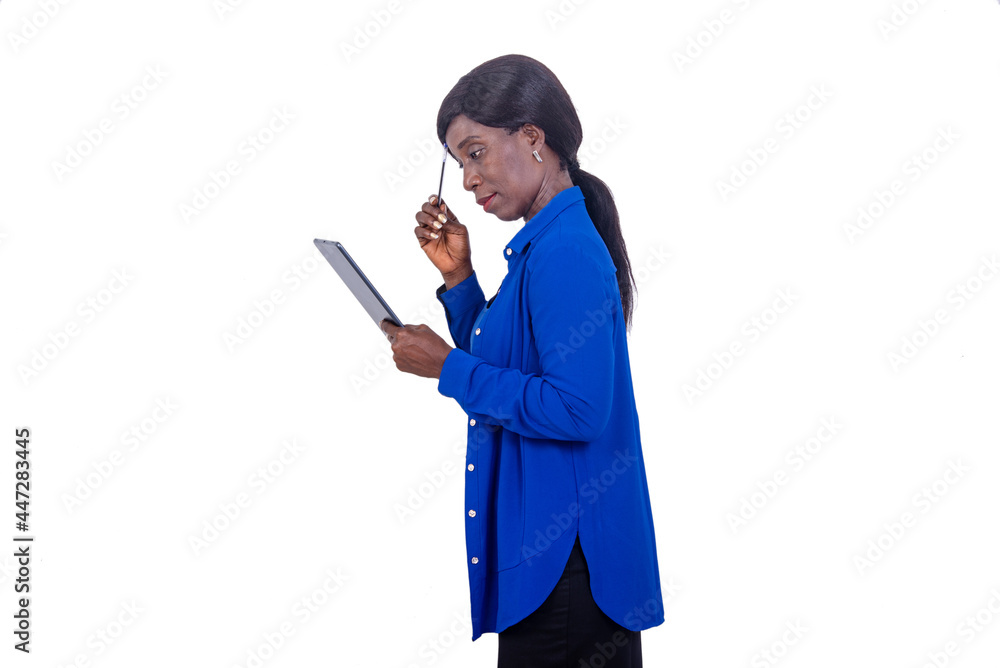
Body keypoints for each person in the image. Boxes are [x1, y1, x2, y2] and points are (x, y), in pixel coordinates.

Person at [379, 54, 663, 668]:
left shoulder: (564, 250)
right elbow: (505, 362)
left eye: (476, 152)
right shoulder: (542, 246)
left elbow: (577, 409)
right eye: (459, 162)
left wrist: (447, 368)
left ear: (533, 137)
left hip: (571, 567)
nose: (467, 180)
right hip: (553, 562)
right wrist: (459, 279)